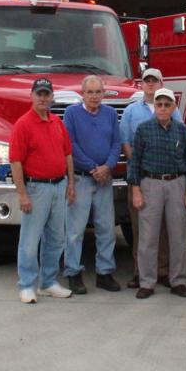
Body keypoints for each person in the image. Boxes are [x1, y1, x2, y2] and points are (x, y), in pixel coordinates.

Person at [9, 77, 76, 304]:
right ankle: (27, 285)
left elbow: (67, 154)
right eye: (39, 94)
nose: (43, 98)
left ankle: (48, 282)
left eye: (47, 94)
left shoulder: (57, 123)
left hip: (59, 186)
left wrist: (71, 184)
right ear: (31, 96)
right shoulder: (23, 125)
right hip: (36, 188)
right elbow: (16, 162)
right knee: (30, 239)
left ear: (52, 97)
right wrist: (22, 194)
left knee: (57, 239)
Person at [127, 87, 186, 299]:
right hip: (150, 183)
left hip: (177, 183)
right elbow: (135, 162)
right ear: (155, 106)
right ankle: (147, 282)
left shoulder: (182, 130)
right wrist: (136, 191)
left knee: (177, 235)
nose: (163, 108)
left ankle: (178, 281)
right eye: (159, 104)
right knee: (148, 236)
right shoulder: (143, 130)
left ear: (174, 106)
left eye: (167, 104)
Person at [120, 67, 183, 289]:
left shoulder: (173, 111)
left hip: (167, 179)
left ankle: (163, 272)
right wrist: (139, 165)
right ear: (142, 83)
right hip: (141, 177)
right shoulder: (130, 111)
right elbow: (126, 142)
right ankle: (140, 273)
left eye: (154, 80)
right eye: (146, 80)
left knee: (166, 228)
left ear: (161, 83)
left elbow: (180, 142)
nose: (150, 84)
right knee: (141, 229)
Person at [62, 75, 122, 294]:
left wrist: (108, 166)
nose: (95, 96)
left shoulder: (111, 114)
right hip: (81, 179)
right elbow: (70, 145)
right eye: (90, 92)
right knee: (75, 231)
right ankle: (73, 273)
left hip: (105, 180)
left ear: (103, 94)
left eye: (98, 92)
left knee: (106, 229)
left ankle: (104, 273)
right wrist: (91, 167)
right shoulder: (71, 114)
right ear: (83, 93)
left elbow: (116, 142)